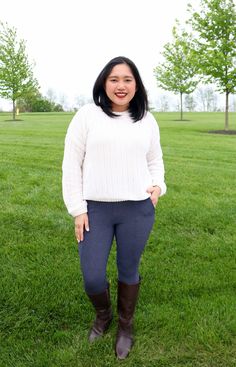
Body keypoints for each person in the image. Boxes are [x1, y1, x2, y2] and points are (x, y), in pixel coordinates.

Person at [62, 56, 167, 360]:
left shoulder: (146, 119)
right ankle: (103, 315)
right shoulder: (86, 116)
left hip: (137, 209)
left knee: (128, 269)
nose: (121, 86)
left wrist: (158, 186)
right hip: (95, 211)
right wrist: (77, 208)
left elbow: (155, 160)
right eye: (114, 79)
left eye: (127, 80)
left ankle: (125, 326)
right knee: (92, 276)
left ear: (137, 85)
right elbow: (72, 164)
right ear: (103, 83)